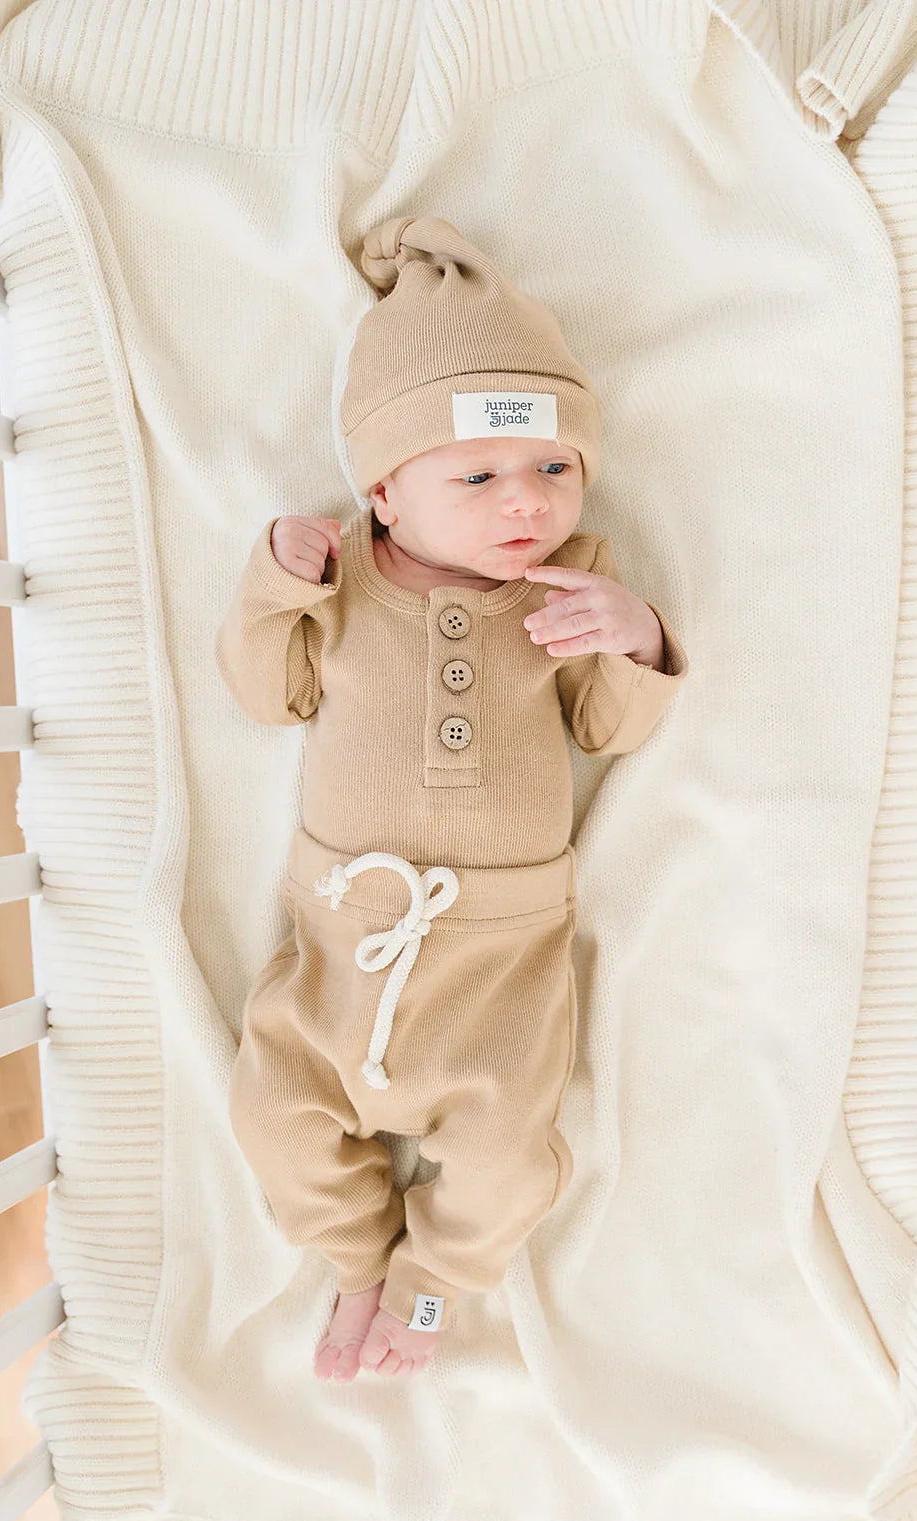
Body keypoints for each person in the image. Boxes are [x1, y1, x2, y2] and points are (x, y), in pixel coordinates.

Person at [214, 215, 689, 1384]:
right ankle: (352, 1261)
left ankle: (426, 1290)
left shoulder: (572, 583)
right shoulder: (340, 581)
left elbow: (607, 729)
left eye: (552, 468)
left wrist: (633, 638)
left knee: (506, 1158)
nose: (523, 502)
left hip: (501, 962)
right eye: (475, 475)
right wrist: (273, 591)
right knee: (275, 1113)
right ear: (383, 490)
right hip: (344, 938)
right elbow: (269, 694)